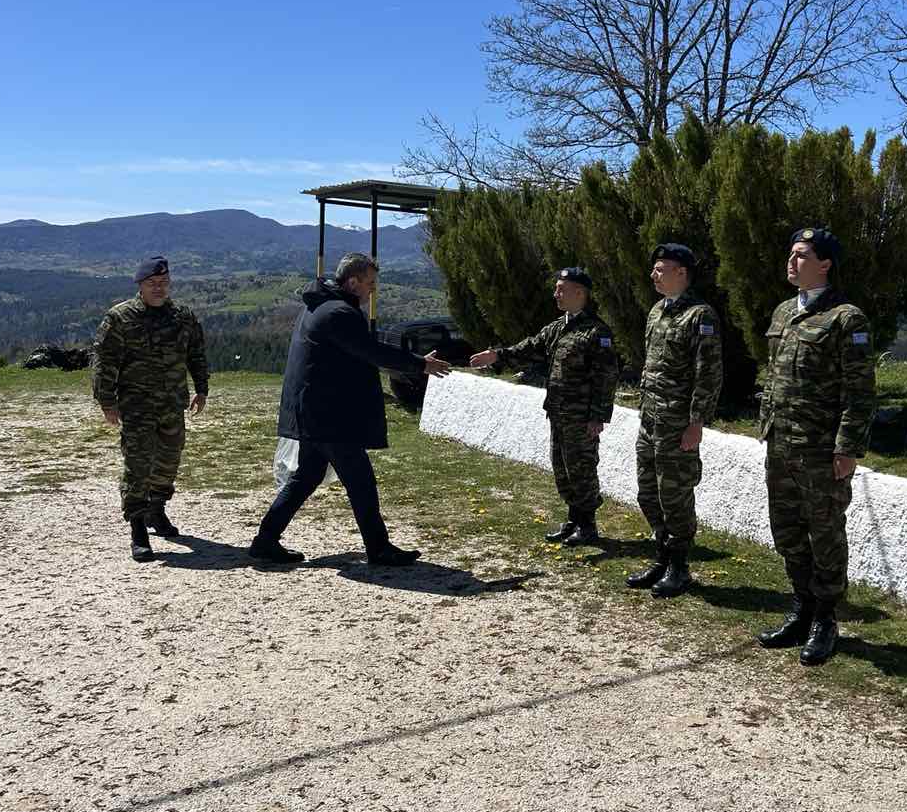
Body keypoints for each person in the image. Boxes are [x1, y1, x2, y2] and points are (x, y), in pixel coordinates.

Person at [249, 254, 450, 567]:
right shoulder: (340, 313)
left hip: (313, 409)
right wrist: (420, 364)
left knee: (308, 475)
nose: (372, 290)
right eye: (370, 283)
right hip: (328, 414)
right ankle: (379, 549)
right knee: (360, 480)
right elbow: (370, 352)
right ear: (353, 282)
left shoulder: (320, 305)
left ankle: (265, 540)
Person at [757, 227, 876, 665]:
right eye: (791, 253)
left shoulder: (846, 318)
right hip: (781, 445)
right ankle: (802, 608)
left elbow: (859, 392)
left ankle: (825, 618)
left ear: (825, 264)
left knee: (825, 533)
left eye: (802, 255)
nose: (792, 261)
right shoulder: (784, 312)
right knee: (787, 530)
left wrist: (847, 448)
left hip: (821, 449)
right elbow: (774, 376)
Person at [469, 267, 619, 546]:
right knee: (562, 468)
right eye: (556, 289)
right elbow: (530, 348)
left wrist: (597, 417)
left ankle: (588, 526)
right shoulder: (558, 328)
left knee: (582, 469)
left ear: (579, 293)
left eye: (562, 289)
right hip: (558, 413)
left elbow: (606, 377)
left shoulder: (596, 332)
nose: (556, 294)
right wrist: (497, 355)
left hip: (581, 417)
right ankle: (574, 519)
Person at [92, 255, 209, 563]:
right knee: (138, 465)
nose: (159, 288)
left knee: (168, 462)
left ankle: (156, 510)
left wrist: (202, 388)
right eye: (152, 283)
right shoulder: (121, 317)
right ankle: (137, 527)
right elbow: (105, 362)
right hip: (137, 407)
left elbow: (196, 353)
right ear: (140, 285)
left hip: (172, 404)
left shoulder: (182, 316)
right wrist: (107, 402)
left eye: (163, 283)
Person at [627, 243, 723, 599]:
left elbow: (708, 373)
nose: (653, 274)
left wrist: (696, 422)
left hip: (678, 423)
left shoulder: (700, 316)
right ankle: (662, 558)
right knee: (647, 491)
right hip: (651, 419)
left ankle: (679, 567)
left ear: (681, 273)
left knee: (675, 495)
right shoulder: (656, 311)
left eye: (660, 269)